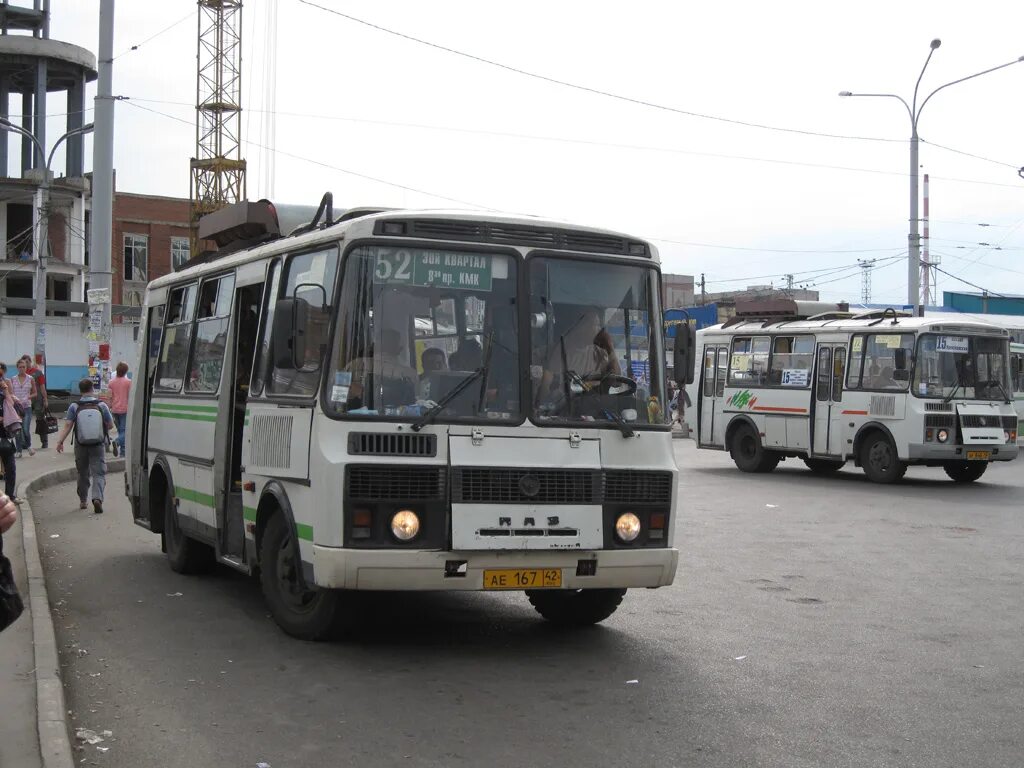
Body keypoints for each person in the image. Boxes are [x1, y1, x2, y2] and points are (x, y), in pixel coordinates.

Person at [56, 379, 114, 514]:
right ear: (92, 388)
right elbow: (110, 425)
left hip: (80, 444)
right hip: (98, 444)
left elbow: (68, 426)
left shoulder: (74, 406)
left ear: (80, 390)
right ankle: (97, 498)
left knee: (82, 473)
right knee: (98, 473)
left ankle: (83, 500)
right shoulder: (101, 405)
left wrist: (60, 442)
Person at [540, 307, 621, 400]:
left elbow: (616, 382)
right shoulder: (555, 352)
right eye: (596, 325)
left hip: (591, 409)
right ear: (580, 326)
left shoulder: (599, 354)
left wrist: (610, 347)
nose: (599, 330)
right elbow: (545, 390)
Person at [9, 359, 37, 458]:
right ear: (17, 368)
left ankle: (29, 446)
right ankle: (19, 450)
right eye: (20, 367)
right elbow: (10, 393)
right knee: (17, 429)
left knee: (25, 428)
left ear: (26, 367)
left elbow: (35, 393)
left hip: (26, 407)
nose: (22, 369)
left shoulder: (31, 379)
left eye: (23, 367)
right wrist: (14, 399)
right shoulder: (13, 379)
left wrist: (28, 397)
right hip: (16, 407)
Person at [22, 354, 49, 450]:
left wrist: (45, 399)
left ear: (30, 362)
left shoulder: (37, 373)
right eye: (24, 363)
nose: (26, 365)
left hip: (38, 399)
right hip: (26, 400)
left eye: (27, 362)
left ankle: (44, 441)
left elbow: (42, 387)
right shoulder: (22, 374)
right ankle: (25, 443)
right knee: (24, 421)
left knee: (40, 420)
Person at [0, 378, 20, 503]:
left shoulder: (3, 396)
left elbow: (12, 407)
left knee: (11, 468)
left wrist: (6, 390)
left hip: (6, 437)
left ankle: (10, 496)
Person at [107, 362, 132, 457]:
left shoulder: (111, 383)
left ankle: (123, 452)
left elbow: (109, 397)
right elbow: (130, 396)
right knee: (125, 432)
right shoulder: (129, 382)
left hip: (115, 410)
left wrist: (109, 407)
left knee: (120, 431)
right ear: (126, 371)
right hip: (125, 410)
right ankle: (117, 443)